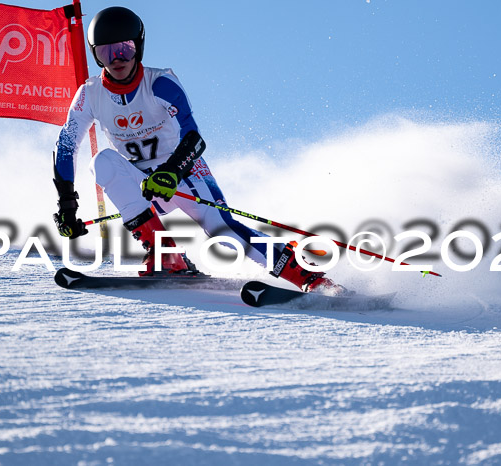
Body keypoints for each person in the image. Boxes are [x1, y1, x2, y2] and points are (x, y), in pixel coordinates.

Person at [52, 6, 341, 293]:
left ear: (138, 47)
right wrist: (67, 202)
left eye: (124, 49)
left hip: (184, 172)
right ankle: (167, 256)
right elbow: (66, 145)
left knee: (224, 233)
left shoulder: (160, 83)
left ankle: (310, 278)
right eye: (106, 52)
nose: (116, 59)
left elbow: (194, 138)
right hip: (144, 184)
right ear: (95, 54)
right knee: (102, 161)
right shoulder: (89, 94)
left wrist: (172, 172)